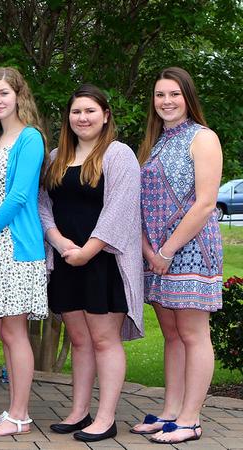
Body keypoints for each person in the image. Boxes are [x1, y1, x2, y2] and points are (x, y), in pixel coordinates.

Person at [38, 84, 144, 442]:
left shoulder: (118, 155)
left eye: (90, 111)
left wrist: (88, 249)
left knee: (103, 341)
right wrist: (60, 242)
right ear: (68, 118)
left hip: (104, 262)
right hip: (67, 259)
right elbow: (42, 206)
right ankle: (78, 411)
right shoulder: (55, 157)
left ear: (105, 116)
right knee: (80, 340)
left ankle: (106, 417)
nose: (82, 118)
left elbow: (120, 210)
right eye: (76, 112)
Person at [130, 67, 223, 445]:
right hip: (158, 254)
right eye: (159, 95)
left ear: (188, 98)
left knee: (192, 332)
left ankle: (191, 418)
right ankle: (170, 411)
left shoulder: (203, 138)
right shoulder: (157, 142)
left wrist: (166, 251)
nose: (166, 101)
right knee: (170, 333)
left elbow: (204, 204)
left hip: (190, 251)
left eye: (174, 94)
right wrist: (149, 251)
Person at [0, 67, 47, 437]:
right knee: (5, 330)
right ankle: (15, 411)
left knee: (14, 331)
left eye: (3, 93)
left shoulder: (30, 139)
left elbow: (18, 196)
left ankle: (19, 416)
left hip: (14, 246)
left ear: (19, 96)